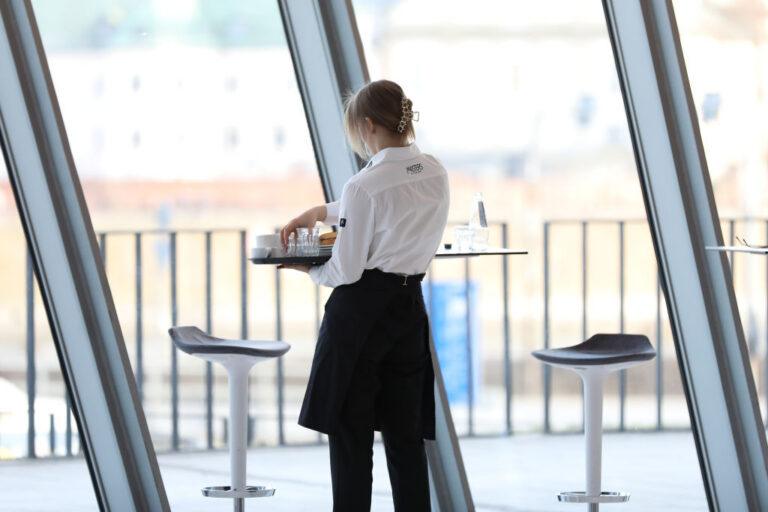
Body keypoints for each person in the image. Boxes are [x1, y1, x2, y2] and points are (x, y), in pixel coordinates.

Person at [279, 79, 449, 511]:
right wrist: (321, 211)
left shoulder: (363, 184)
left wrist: (308, 268)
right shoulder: (434, 171)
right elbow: (386, 203)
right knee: (405, 437)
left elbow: (347, 269)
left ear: (368, 125)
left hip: (360, 315)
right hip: (408, 309)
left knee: (351, 437)